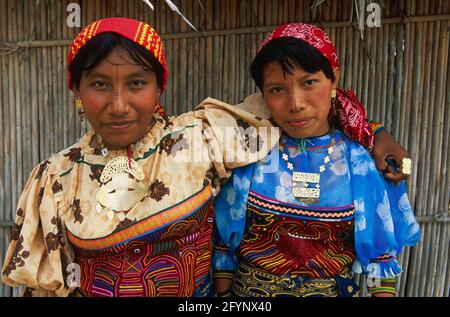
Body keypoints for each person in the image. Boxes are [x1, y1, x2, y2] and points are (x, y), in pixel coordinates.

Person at [1, 18, 408, 297]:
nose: (119, 105)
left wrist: (375, 134)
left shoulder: (203, 138)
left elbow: (301, 109)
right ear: (76, 89)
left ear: (160, 86)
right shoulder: (55, 179)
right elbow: (47, 284)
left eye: (137, 83)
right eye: (99, 84)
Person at [212, 23, 420, 297]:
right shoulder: (248, 152)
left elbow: (381, 260)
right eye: (277, 89)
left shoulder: (362, 162)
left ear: (333, 79)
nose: (295, 102)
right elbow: (223, 246)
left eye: (309, 82)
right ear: (263, 94)